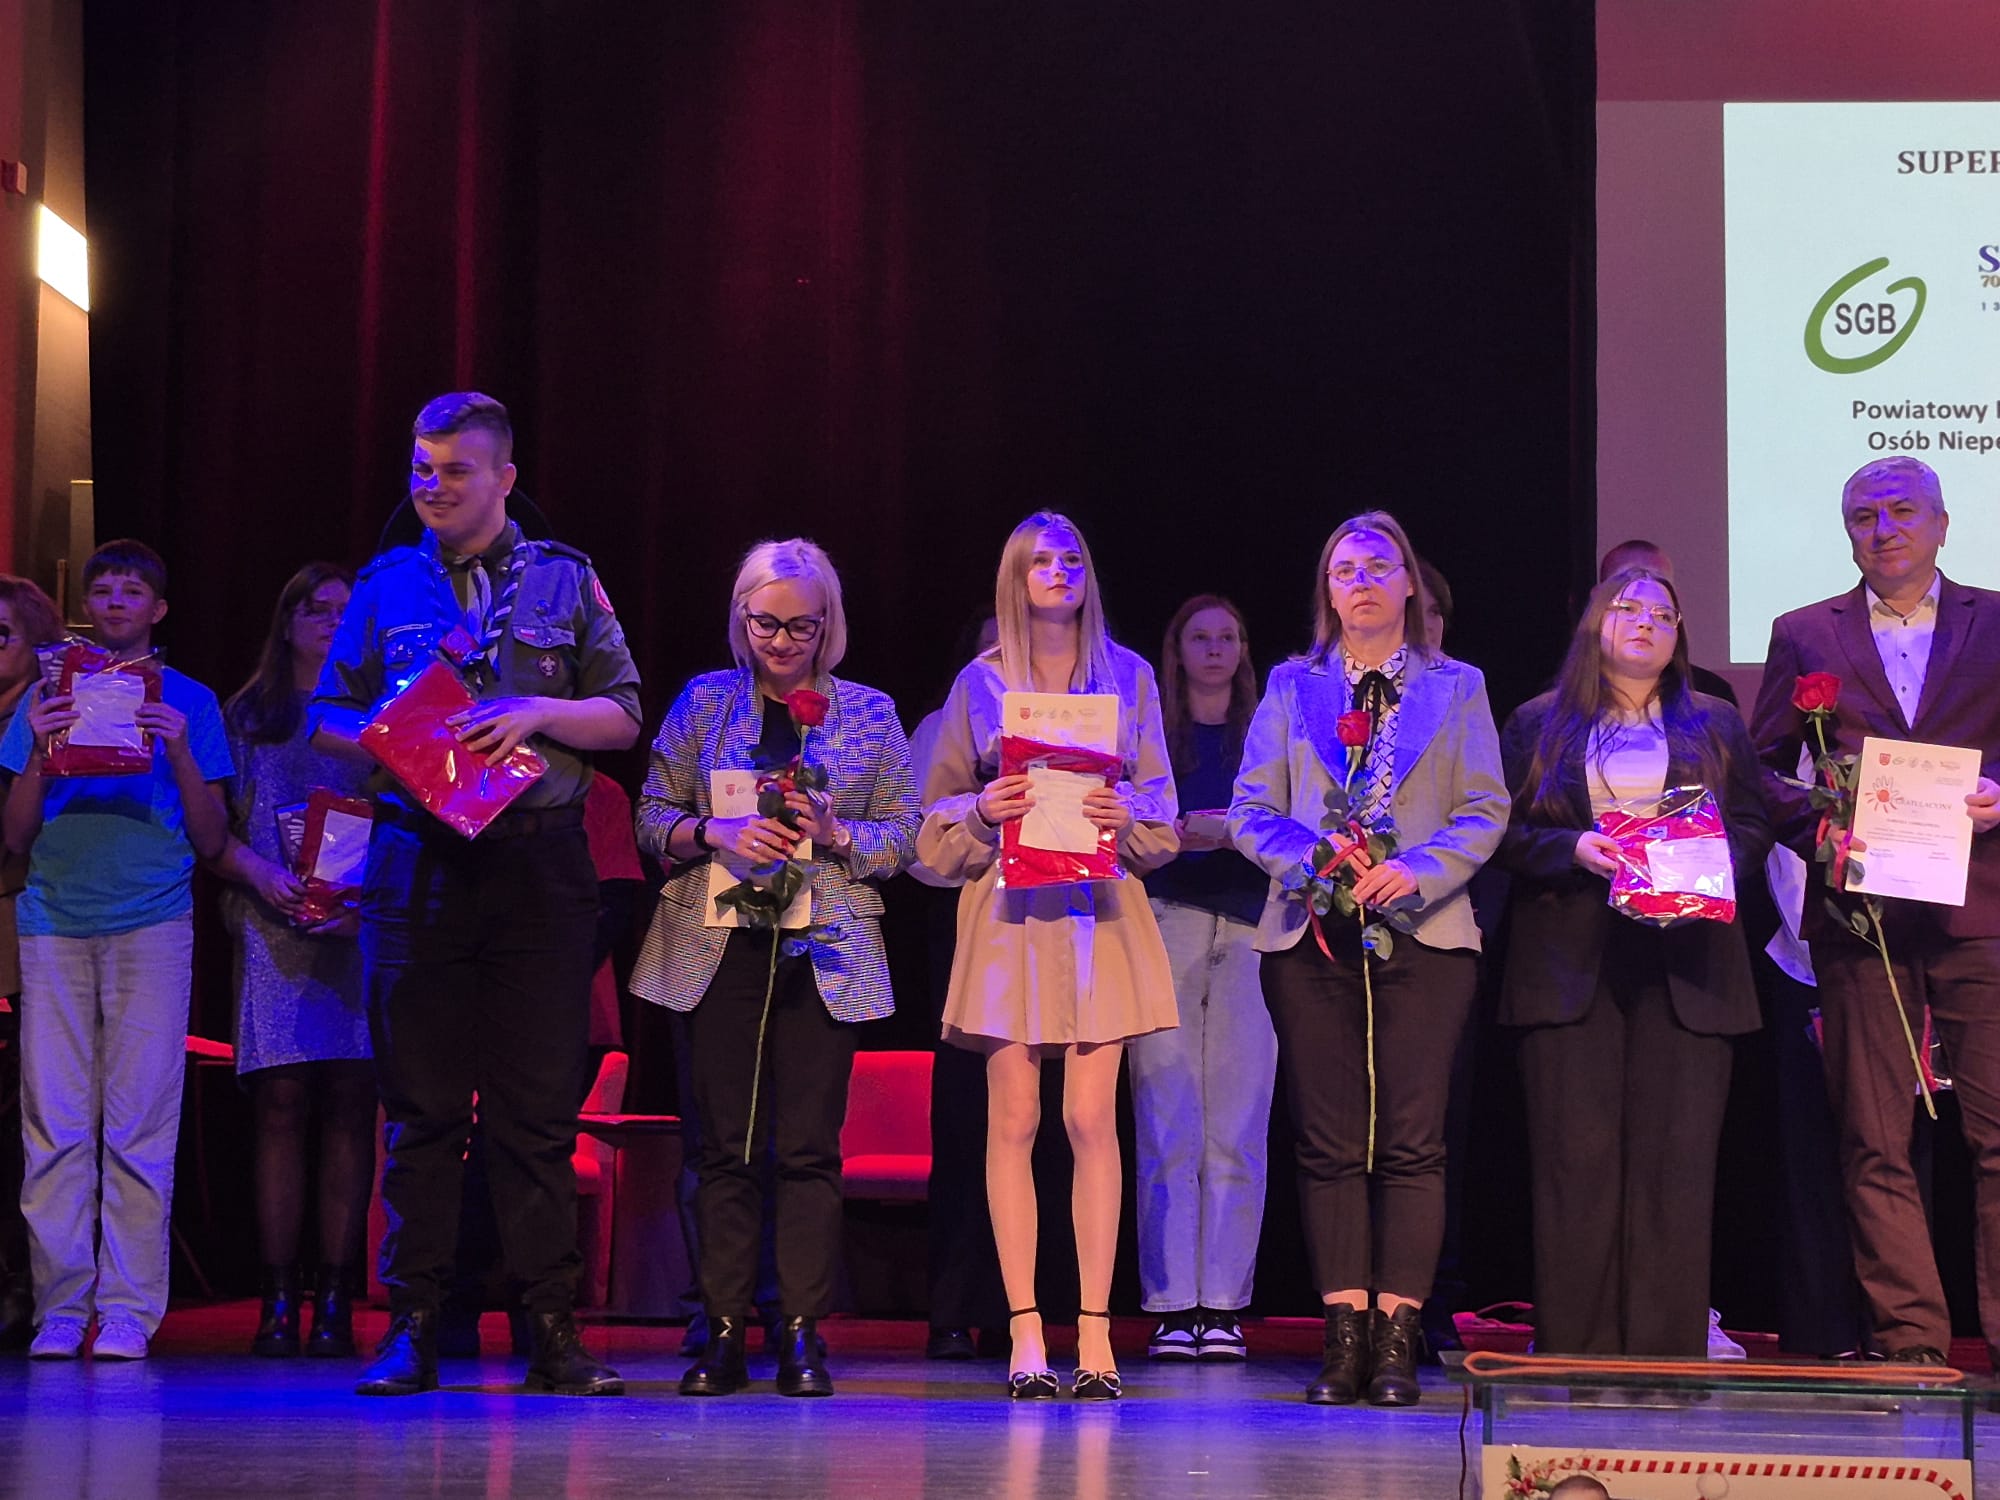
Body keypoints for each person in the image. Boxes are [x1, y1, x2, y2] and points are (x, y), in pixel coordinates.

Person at [312, 391, 641, 1396]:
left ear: (504, 477)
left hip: (537, 865)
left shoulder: (564, 578)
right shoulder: (385, 584)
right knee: (420, 1112)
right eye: (422, 469)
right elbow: (325, 713)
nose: (433, 486)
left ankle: (551, 1329)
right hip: (418, 862)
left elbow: (623, 715)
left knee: (534, 1113)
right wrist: (397, 742)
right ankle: (412, 1324)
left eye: (456, 470)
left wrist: (538, 710)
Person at [1229, 510, 1506, 1407]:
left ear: (1409, 584)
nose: (1362, 582)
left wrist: (1417, 868)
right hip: (1309, 933)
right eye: (1345, 570)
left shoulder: (1458, 685)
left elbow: (1485, 807)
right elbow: (1250, 809)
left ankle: (1396, 1341)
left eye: (1379, 567)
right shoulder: (1290, 684)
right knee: (1329, 1144)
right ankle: (1342, 1339)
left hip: (1425, 931)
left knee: (1414, 1143)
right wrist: (1312, 858)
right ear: (1328, 589)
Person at [631, 537, 918, 1398]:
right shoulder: (704, 701)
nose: (783, 642)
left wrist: (837, 832)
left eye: (802, 626)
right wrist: (710, 831)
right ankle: (722, 1330)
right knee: (723, 1148)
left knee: (808, 1150)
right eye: (766, 624)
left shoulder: (869, 712)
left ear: (829, 624)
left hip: (822, 949)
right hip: (718, 945)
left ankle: (800, 1331)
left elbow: (903, 834)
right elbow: (652, 815)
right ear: (741, 617)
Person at [918, 511, 1179, 1401]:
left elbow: (1162, 809)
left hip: (1098, 912)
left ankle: (1096, 1332)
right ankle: (1026, 1330)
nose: (1059, 571)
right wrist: (979, 811)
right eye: (1041, 560)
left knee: (1092, 1119)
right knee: (1015, 1118)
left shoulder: (1130, 676)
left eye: (1072, 558)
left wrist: (1129, 811)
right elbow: (931, 819)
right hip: (1011, 913)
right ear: (1015, 576)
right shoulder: (980, 683)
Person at [1750, 455, 2000, 1364]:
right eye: (1864, 515)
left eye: (1901, 511)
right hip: (1862, 917)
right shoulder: (1804, 631)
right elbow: (1759, 771)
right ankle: (1913, 1343)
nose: (1883, 529)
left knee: (1997, 1137)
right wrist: (1816, 826)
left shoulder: (1997, 619)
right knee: (1873, 1138)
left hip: (1981, 907)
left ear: (1942, 524)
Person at [1498, 566, 1769, 1355]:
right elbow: (1500, 832)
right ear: (1594, 624)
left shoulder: (1715, 721)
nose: (1646, 621)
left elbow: (1753, 825)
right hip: (1569, 962)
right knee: (1572, 1167)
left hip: (1688, 961)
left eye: (1662, 613)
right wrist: (1570, 847)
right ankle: (1573, 1354)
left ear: (1678, 634)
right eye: (1627, 608)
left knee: (1675, 1169)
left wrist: (1703, 862)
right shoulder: (1539, 722)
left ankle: (1666, 1357)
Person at [3, 540, 233, 1360]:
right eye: (102, 591)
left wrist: (178, 746)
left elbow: (213, 838)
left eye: (132, 591)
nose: (114, 603)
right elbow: (14, 835)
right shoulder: (47, 693)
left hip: (152, 922)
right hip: (55, 920)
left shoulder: (192, 700)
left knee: (140, 1120)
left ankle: (129, 1308)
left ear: (157, 609)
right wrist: (39, 748)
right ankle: (62, 1307)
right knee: (55, 1121)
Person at [213, 563, 374, 1358]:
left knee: (350, 1101)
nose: (330, 622)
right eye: (315, 609)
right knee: (280, 1102)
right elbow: (211, 831)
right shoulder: (248, 716)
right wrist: (261, 875)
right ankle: (278, 1301)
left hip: (358, 929)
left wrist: (363, 904)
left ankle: (335, 1300)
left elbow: (413, 818)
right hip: (274, 923)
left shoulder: (380, 713)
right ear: (287, 623)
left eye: (345, 611)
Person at [1129, 594, 1274, 1361]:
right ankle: (1170, 1304)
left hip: (1252, 926)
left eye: (1228, 636)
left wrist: (1233, 832)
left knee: (1238, 1125)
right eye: (1200, 637)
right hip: (1165, 919)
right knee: (1167, 1119)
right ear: (1177, 650)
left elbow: (1293, 822)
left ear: (1243, 648)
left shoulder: (1265, 731)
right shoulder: (1153, 732)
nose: (1215, 649)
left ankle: (1222, 1305)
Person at [0, 578, 64, 1349]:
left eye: (2, 634)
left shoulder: (51, 716)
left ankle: (22, 1282)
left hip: (24, 932)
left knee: (20, 1122)